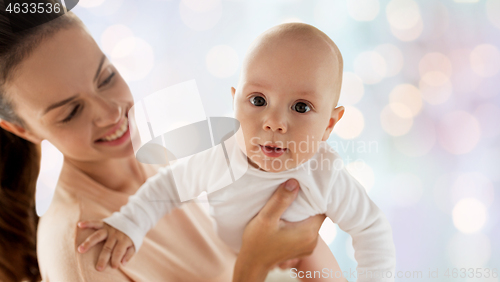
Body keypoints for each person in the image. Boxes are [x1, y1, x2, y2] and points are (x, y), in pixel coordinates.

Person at [0, 3, 329, 282]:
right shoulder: (83, 253)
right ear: (21, 129)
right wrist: (255, 263)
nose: (112, 112)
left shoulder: (168, 154)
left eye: (106, 77)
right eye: (71, 112)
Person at [78, 23, 396, 282]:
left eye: (301, 107)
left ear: (329, 124)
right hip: (227, 254)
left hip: (300, 253)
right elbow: (167, 187)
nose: (274, 122)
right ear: (235, 102)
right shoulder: (220, 157)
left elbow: (371, 228)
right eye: (258, 100)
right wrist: (128, 224)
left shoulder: (324, 174)